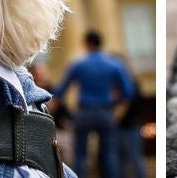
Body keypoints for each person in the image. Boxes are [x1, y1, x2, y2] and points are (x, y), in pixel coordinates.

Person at [53, 31, 135, 178]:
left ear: (87, 43)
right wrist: (116, 105)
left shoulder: (79, 64)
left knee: (80, 155)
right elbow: (128, 91)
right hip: (106, 112)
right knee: (109, 153)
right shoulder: (114, 65)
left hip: (84, 112)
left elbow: (60, 90)